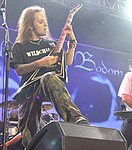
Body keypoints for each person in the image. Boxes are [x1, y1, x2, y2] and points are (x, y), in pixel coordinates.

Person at [10, 5, 89, 148]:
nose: (45, 24)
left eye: (45, 21)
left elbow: (68, 61)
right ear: (30, 26)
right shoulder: (19, 46)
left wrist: (72, 40)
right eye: (40, 21)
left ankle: (76, 120)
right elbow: (19, 69)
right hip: (28, 92)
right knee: (30, 137)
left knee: (49, 77)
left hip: (46, 84)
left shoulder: (50, 44)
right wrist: (39, 63)